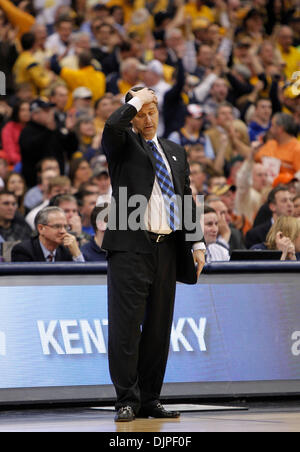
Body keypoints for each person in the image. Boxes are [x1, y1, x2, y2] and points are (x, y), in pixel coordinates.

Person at [101, 86, 205, 422]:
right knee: (126, 329)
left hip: (167, 249)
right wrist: (134, 101)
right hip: (130, 249)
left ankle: (150, 398)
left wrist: (197, 243)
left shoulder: (175, 150)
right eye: (140, 113)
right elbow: (112, 127)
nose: (147, 119)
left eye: (152, 112)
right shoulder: (122, 145)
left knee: (159, 330)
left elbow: (186, 198)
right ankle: (127, 400)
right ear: (132, 114)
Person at [19, 97, 78, 187]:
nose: (51, 113)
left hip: (59, 181)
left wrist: (70, 132)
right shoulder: (27, 131)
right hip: (35, 184)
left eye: (51, 110)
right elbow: (32, 150)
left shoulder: (55, 129)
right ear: (35, 114)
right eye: (46, 111)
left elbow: (72, 148)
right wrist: (48, 131)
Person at [11, 206, 85, 262]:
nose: (63, 231)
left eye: (65, 227)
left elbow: (82, 279)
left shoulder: (66, 250)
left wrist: (77, 254)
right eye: (57, 226)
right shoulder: (23, 251)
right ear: (41, 228)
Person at [254, 113, 300, 178]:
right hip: (264, 184)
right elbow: (256, 158)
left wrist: (282, 165)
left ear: (280, 129)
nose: (270, 129)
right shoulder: (270, 143)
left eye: (272, 125)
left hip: (286, 186)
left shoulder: (297, 149)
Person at [1, 100, 30, 166]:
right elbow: (10, 153)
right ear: (17, 112)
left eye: (29, 110)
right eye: (23, 110)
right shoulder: (9, 128)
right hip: (17, 164)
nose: (27, 113)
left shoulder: (33, 126)